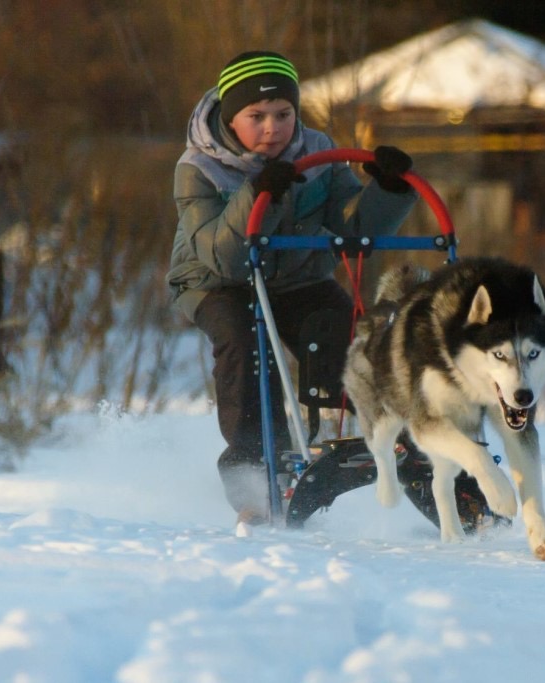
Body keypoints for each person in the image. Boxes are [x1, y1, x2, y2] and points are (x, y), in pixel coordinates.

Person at [166, 51, 418, 526]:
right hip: (217, 282)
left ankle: (361, 438)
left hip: (299, 277)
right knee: (246, 343)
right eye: (255, 117)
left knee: (346, 333)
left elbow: (353, 231)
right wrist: (261, 192)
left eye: (284, 114)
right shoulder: (199, 166)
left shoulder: (317, 153)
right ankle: (254, 477)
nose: (272, 128)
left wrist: (388, 189)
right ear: (229, 117)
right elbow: (226, 257)